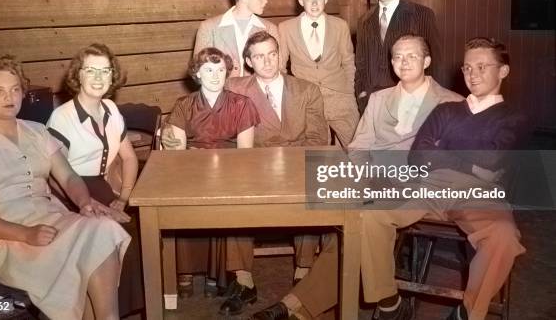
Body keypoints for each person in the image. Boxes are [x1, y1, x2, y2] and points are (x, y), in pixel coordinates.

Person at [250, 34, 462, 320]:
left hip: (423, 187)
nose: (404, 62)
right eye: (397, 56)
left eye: (412, 56)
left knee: (361, 217)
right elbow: (360, 146)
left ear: (427, 60)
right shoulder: (379, 99)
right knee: (346, 219)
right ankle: (296, 306)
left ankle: (383, 304)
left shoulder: (453, 103)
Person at [0, 56, 130, 320]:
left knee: (104, 228)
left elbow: (68, 178)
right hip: (6, 235)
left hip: (50, 219)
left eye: (15, 89)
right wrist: (25, 234)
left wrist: (84, 202)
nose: (9, 97)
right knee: (93, 244)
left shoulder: (37, 131)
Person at [361, 37, 527, 320]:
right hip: (427, 185)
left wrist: (444, 151)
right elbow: (418, 156)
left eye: (482, 66)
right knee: (369, 214)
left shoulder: (514, 117)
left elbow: (494, 161)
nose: (472, 74)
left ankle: (468, 311)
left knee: (504, 236)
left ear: (503, 71)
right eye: (467, 68)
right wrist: (471, 161)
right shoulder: (447, 109)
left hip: (479, 193)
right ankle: (389, 301)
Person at [221, 30, 328, 316]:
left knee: (313, 186)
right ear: (248, 61)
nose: (267, 62)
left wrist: (289, 163)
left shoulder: (307, 89)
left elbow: (319, 139)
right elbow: (223, 135)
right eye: (259, 56)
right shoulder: (235, 89)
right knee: (234, 193)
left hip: (296, 165)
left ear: (280, 55)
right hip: (253, 167)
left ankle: (303, 272)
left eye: (272, 54)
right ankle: (244, 280)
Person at [46, 43, 144, 316]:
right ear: (78, 75)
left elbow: (129, 158)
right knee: (108, 240)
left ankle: (111, 309)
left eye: (105, 71)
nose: (99, 78)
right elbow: (56, 177)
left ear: (113, 77)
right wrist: (87, 204)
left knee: (140, 229)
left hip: (103, 188)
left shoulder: (111, 109)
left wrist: (123, 199)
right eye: (91, 70)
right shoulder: (62, 117)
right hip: (69, 195)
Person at [162, 47, 260, 298]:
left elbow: (245, 154)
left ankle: (219, 273)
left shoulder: (242, 104)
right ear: (197, 73)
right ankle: (184, 270)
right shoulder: (184, 105)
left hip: (232, 172)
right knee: (181, 198)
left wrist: (218, 166)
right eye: (208, 70)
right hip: (193, 171)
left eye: (220, 70)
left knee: (232, 202)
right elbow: (178, 153)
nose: (215, 75)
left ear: (227, 72)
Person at [278, 0, 360, 146]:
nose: (314, 3)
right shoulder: (286, 28)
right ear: (301, 1)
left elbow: (348, 61)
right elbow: (281, 67)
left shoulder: (340, 26)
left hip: (339, 95)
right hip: (307, 99)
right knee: (316, 151)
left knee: (357, 147)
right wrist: (291, 96)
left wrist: (349, 91)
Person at [355, 0, 442, 114]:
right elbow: (360, 65)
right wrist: (362, 95)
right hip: (372, 103)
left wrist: (424, 100)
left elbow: (434, 63)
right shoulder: (364, 21)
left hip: (409, 101)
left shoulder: (421, 15)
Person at [194, 0, 279, 77]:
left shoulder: (270, 29)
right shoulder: (209, 28)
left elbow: (278, 71)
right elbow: (200, 71)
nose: (266, 1)